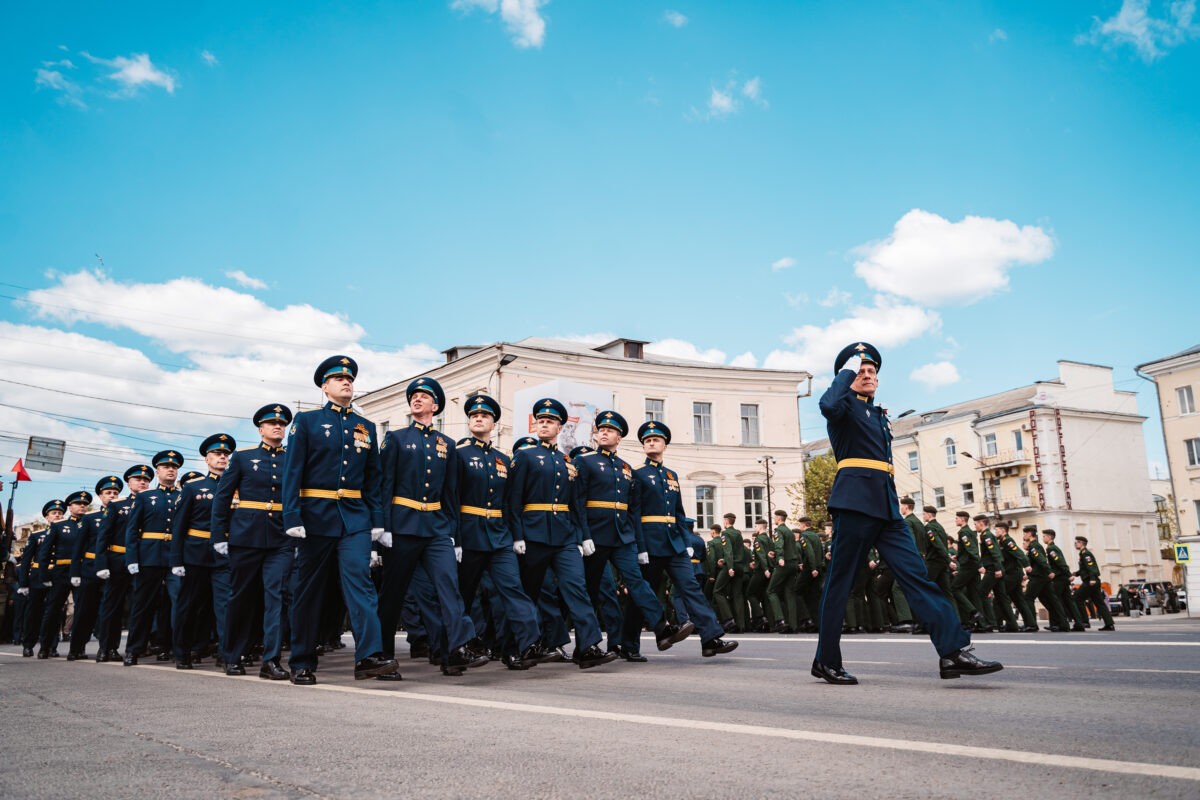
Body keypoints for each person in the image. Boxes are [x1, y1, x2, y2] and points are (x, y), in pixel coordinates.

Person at [811, 342, 1001, 684]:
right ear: (848, 378)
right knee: (840, 584)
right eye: (861, 372)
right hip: (854, 504)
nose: (867, 376)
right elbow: (826, 404)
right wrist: (845, 372)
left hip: (885, 506)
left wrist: (892, 503)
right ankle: (826, 660)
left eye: (872, 372)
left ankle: (952, 652)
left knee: (917, 576)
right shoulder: (842, 406)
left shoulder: (878, 415)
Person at [282, 355, 399, 684]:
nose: (346, 382)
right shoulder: (306, 421)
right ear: (325, 386)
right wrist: (291, 514)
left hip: (355, 518)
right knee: (309, 590)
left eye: (349, 378)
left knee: (362, 585)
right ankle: (303, 660)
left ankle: (369, 656)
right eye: (338, 379)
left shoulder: (366, 427)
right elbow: (293, 471)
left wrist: (377, 520)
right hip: (314, 516)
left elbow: (373, 478)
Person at [376, 376, 485, 678]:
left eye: (424, 396)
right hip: (403, 525)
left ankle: (455, 650)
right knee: (393, 594)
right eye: (414, 396)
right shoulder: (396, 439)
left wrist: (456, 537)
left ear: (435, 406)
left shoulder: (447, 445)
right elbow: (385, 485)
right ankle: (381, 655)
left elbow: (451, 494)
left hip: (437, 527)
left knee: (449, 587)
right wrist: (382, 527)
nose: (417, 399)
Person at [503, 398, 615, 669]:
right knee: (527, 593)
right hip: (533, 533)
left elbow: (575, 503)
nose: (543, 424)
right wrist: (517, 535)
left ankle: (587, 646)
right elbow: (513, 500)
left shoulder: (567, 460)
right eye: (540, 420)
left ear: (559, 427)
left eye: (549, 421)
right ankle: (512, 648)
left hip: (564, 536)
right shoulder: (524, 456)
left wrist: (580, 536)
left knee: (577, 589)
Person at [574, 410, 693, 660]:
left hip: (622, 537)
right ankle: (584, 647)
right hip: (595, 537)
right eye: (601, 429)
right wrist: (582, 536)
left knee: (637, 583)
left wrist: (637, 544)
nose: (604, 432)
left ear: (619, 437)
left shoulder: (626, 468)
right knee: (591, 591)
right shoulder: (585, 461)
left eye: (610, 430)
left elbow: (632, 508)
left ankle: (661, 627)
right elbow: (578, 501)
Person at [453, 394, 552, 670]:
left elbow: (510, 502)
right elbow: (451, 497)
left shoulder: (502, 459)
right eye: (474, 416)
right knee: (463, 594)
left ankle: (528, 644)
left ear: (494, 423)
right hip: (469, 533)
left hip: (498, 535)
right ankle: (454, 649)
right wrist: (455, 538)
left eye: (484, 416)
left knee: (513, 589)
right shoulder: (459, 454)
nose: (479, 418)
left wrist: (515, 535)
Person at [627, 420, 737, 658]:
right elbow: (634, 513)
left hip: (674, 543)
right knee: (644, 594)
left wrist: (686, 543)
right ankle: (629, 646)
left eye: (655, 439)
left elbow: (679, 513)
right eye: (647, 440)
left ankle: (710, 639)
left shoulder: (671, 475)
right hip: (650, 542)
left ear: (664, 445)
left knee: (691, 588)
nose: (651, 443)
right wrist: (640, 546)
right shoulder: (637, 473)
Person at [212, 404, 295, 679]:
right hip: (245, 536)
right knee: (241, 597)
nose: (278, 427)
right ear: (261, 429)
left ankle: (270, 661)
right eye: (272, 423)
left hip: (281, 537)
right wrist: (219, 535)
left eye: (282, 424)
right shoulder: (244, 457)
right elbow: (223, 498)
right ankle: (231, 655)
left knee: (277, 597)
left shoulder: (293, 458)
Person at [170, 433, 236, 669]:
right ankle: (182, 652)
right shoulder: (193, 487)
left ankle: (227, 654)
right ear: (207, 459)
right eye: (217, 454)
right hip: (195, 554)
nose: (222, 457)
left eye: (226, 454)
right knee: (188, 605)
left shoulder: (237, 486)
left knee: (225, 605)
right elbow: (179, 526)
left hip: (225, 555)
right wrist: (176, 559)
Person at [123, 450, 184, 666]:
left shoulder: (183, 495)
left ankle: (179, 649)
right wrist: (132, 559)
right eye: (166, 467)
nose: (170, 470)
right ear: (157, 471)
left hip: (176, 558)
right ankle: (134, 649)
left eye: (174, 467)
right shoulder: (144, 497)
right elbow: (132, 531)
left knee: (179, 604)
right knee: (143, 605)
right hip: (149, 556)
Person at [93, 465, 152, 661]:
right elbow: (103, 537)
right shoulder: (117, 505)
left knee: (139, 606)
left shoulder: (154, 503)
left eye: (145, 479)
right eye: (137, 479)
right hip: (118, 561)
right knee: (112, 607)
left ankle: (136, 648)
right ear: (129, 483)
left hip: (144, 562)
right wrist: (101, 564)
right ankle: (107, 647)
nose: (142, 482)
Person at [67, 476, 123, 660]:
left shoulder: (124, 514)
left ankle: (109, 648)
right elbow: (78, 548)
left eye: (115, 493)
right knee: (85, 610)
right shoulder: (90, 518)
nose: (112, 495)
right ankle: (77, 647)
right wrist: (75, 572)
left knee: (112, 611)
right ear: (100, 496)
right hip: (90, 569)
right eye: (108, 493)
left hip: (113, 567)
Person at [37, 491, 91, 658]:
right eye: (77, 503)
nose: (82, 506)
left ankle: (77, 649)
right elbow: (44, 553)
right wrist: (44, 575)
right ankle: (45, 646)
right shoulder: (59, 525)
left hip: (82, 572)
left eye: (84, 503)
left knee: (81, 612)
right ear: (70, 507)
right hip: (61, 573)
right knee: (53, 611)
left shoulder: (91, 524)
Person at [1072, 536, 1115, 631]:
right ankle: (1109, 624)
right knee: (1099, 603)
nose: (1075, 544)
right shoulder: (1082, 553)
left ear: (1082, 543)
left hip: (1090, 582)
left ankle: (1084, 622)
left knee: (1077, 599)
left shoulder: (1086, 554)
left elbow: (1092, 567)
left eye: (1077, 542)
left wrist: (1092, 579)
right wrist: (1076, 573)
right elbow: (1085, 568)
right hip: (1092, 581)